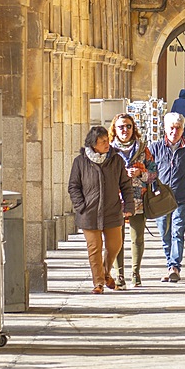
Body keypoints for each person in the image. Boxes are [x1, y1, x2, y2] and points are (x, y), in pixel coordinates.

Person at [68, 126, 134, 294]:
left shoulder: (116, 160)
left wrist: (128, 205)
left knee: (115, 245)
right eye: (102, 141)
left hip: (112, 211)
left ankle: (105, 273)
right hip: (88, 213)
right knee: (94, 248)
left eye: (107, 140)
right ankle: (98, 283)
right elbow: (73, 186)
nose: (107, 143)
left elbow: (125, 185)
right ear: (93, 144)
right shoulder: (80, 162)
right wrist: (80, 206)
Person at [147, 112, 185, 282]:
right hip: (159, 198)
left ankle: (174, 266)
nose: (174, 131)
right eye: (171, 128)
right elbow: (148, 172)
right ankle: (169, 262)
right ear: (165, 129)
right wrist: (150, 190)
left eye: (178, 128)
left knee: (178, 232)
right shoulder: (155, 148)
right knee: (165, 234)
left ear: (183, 129)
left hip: (181, 198)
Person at [108, 113, 157, 288]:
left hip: (138, 199)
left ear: (133, 128)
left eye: (128, 126)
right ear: (115, 129)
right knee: (116, 239)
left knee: (137, 238)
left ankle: (135, 273)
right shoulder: (109, 151)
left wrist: (140, 174)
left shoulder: (143, 149)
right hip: (116, 200)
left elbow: (154, 174)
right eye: (121, 127)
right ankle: (119, 274)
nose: (125, 130)